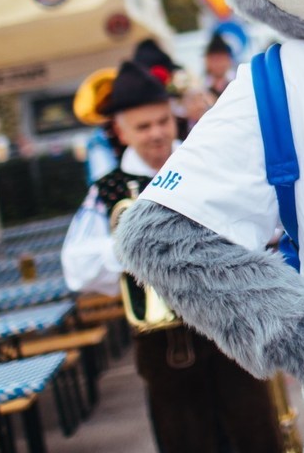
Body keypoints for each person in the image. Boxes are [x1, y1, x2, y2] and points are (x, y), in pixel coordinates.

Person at [61, 61, 284, 453]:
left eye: (163, 121)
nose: (157, 133)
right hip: (167, 347)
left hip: (233, 325)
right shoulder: (107, 191)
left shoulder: (205, 166)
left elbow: (268, 225)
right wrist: (142, 245)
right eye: (143, 126)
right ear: (121, 131)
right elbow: (77, 269)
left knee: (258, 438)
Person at [203, 33, 237, 99]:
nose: (218, 64)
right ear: (207, 61)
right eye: (214, 60)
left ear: (229, 60)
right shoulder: (202, 88)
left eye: (221, 59)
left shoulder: (238, 82)